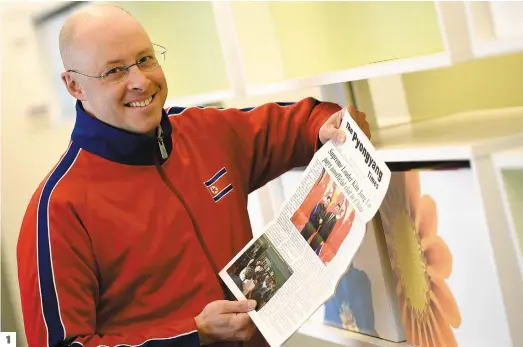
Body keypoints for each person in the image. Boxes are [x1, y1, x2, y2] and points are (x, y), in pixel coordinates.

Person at [16, 3, 371, 347]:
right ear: (74, 86)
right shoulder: (58, 209)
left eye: (145, 59)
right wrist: (193, 336)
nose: (140, 81)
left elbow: (294, 124)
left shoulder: (204, 131)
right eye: (114, 71)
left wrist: (328, 124)